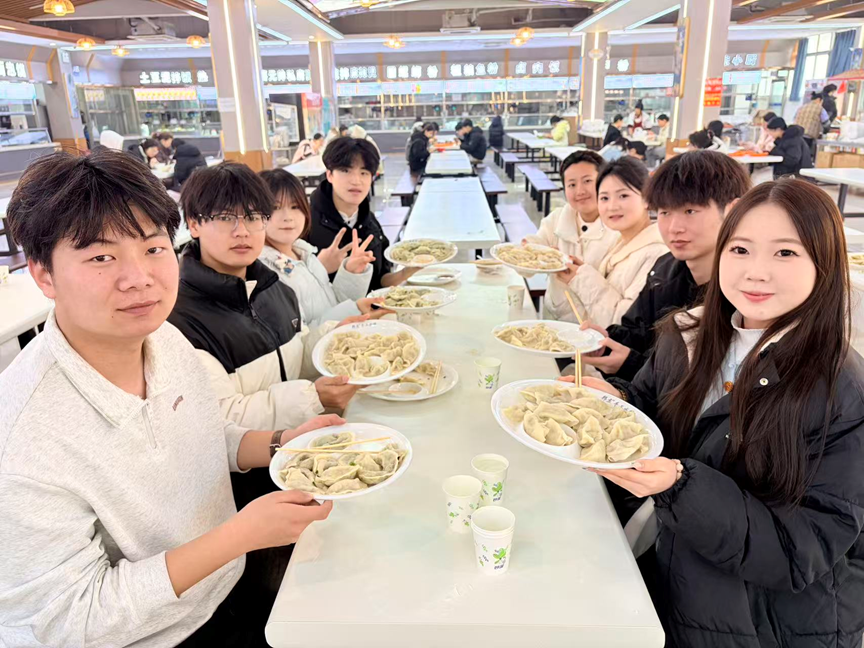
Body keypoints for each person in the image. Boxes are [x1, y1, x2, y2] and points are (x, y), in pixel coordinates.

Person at [0, 148, 336, 647]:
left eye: (154, 248)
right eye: (101, 257)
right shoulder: (21, 438)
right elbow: (68, 620)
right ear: (43, 274)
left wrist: (282, 443)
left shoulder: (163, 339)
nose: (139, 278)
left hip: (229, 584)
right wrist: (241, 534)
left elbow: (199, 434)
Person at [577, 179, 864, 648]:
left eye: (785, 253)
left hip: (765, 621)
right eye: (741, 249)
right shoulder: (686, 335)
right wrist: (614, 402)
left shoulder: (841, 391)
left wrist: (680, 486)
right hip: (664, 565)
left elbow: (801, 551)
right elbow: (651, 412)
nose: (756, 273)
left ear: (825, 263)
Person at [169, 162, 360, 433]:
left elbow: (296, 359)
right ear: (193, 224)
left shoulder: (276, 289)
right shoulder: (179, 319)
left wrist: (335, 336)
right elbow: (220, 416)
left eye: (253, 217)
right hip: (261, 459)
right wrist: (311, 398)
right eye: (225, 217)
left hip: (306, 441)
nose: (242, 231)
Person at [581, 150, 752, 381]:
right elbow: (638, 331)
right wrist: (607, 341)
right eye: (664, 212)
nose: (674, 228)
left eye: (690, 211)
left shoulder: (748, 294)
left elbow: (706, 384)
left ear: (732, 211)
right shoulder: (665, 268)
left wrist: (629, 364)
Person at [258, 168, 380, 329]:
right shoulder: (265, 272)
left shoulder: (304, 253)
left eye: (295, 207)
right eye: (275, 208)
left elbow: (332, 303)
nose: (288, 217)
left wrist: (351, 273)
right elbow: (299, 337)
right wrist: (349, 314)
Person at [562, 157, 667, 329]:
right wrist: (580, 272)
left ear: (646, 198)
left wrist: (581, 278)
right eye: (604, 198)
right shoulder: (623, 243)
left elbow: (624, 323)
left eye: (623, 196)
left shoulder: (657, 255)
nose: (612, 206)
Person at [306, 137, 418, 290]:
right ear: (329, 175)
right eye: (346, 171)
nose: (356, 181)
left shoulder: (370, 222)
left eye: (364, 173)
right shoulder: (305, 223)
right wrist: (320, 267)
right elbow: (291, 292)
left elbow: (380, 281)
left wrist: (407, 271)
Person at [524, 150, 618, 324]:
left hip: (597, 327)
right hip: (555, 320)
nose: (580, 191)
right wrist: (528, 249)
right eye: (572, 184)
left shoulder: (617, 230)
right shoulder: (557, 218)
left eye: (587, 181)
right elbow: (536, 248)